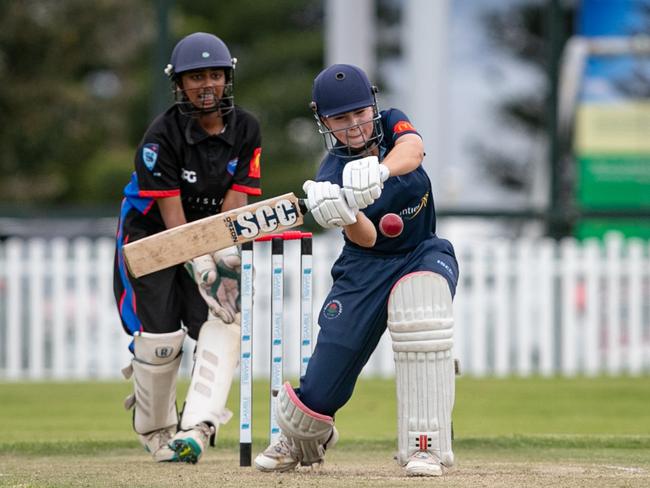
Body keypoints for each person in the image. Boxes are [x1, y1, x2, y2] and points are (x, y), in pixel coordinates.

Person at [254, 64, 459, 477]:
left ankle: (426, 446)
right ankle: (303, 436)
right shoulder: (331, 173)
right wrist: (346, 211)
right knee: (331, 365)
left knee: (422, 305)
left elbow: (414, 150)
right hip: (365, 267)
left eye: (360, 113)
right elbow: (367, 239)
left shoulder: (393, 122)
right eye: (341, 119)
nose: (355, 125)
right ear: (324, 121)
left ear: (373, 104)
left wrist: (381, 170)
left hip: (422, 252)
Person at [113, 32, 262, 464]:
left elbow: (234, 209)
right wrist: (198, 262)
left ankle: (196, 426)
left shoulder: (247, 128)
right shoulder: (160, 136)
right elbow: (173, 220)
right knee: (161, 339)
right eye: (195, 77)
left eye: (214, 74)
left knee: (222, 321)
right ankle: (155, 431)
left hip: (210, 234)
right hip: (153, 236)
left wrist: (226, 260)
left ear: (227, 77)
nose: (206, 85)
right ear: (178, 84)